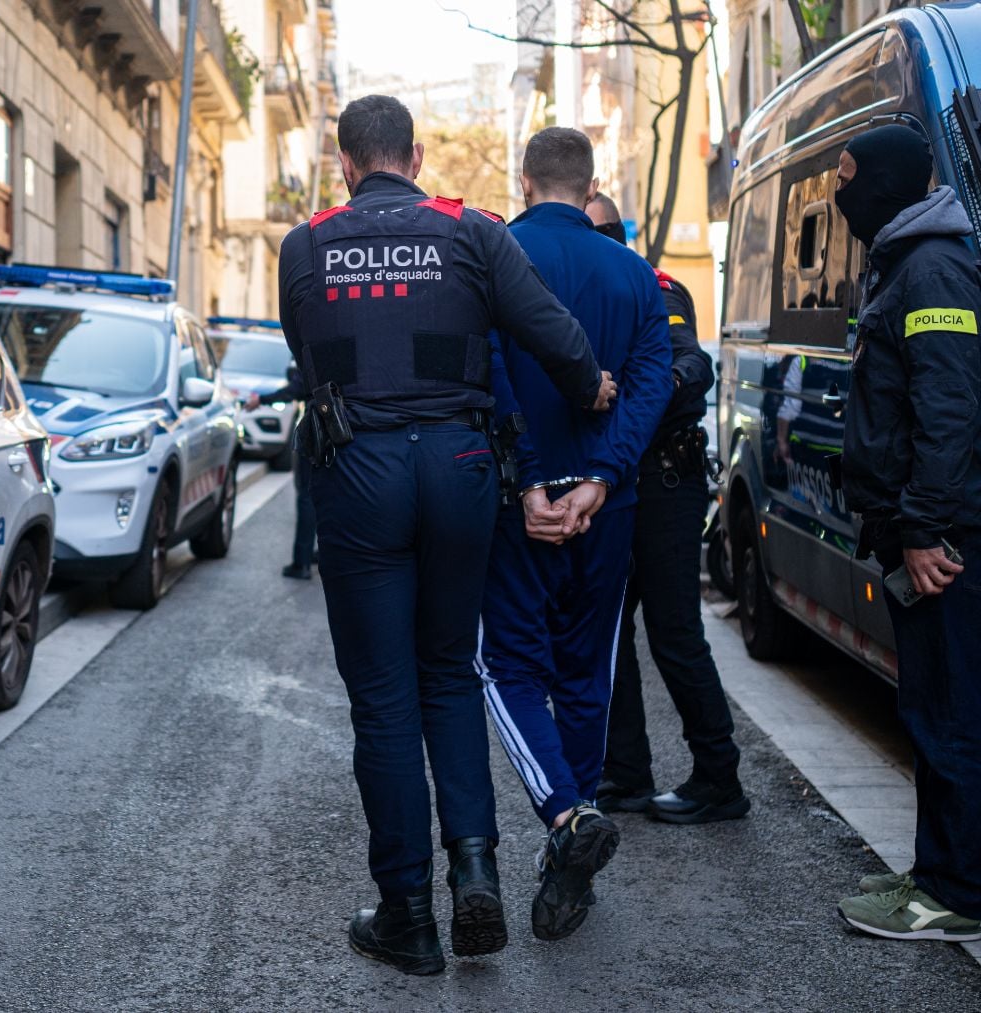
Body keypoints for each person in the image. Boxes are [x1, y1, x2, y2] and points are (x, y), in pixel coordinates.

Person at [277, 95, 617, 975]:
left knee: (383, 697)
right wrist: (591, 392)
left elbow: (304, 351)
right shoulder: (471, 232)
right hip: (463, 469)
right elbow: (555, 336)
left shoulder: (306, 244)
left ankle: (406, 914)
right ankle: (477, 874)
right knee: (449, 676)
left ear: (346, 163)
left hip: (358, 474)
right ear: (416, 157)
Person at [829, 124, 981, 941]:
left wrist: (922, 529)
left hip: (955, 537)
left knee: (954, 713)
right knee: (937, 708)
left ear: (886, 184)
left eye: (848, 178)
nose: (839, 195)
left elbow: (943, 415)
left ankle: (957, 893)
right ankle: (944, 870)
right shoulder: (909, 262)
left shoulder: (933, 269)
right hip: (944, 526)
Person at [480, 130, 671, 942]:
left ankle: (566, 818)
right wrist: (603, 477)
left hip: (519, 502)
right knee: (587, 671)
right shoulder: (635, 273)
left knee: (508, 664)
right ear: (590, 184)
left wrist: (528, 479)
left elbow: (481, 372)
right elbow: (653, 381)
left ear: (524, 180)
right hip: (607, 503)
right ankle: (574, 847)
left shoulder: (494, 256)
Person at [582, 193, 749, 826]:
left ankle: (719, 777)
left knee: (674, 634)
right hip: (617, 484)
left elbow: (690, 366)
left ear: (618, 233)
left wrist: (638, 392)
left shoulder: (654, 287)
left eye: (598, 229)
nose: (589, 239)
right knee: (609, 634)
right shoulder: (589, 290)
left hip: (665, 483)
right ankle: (626, 773)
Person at [245, 364, 316, 579]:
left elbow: (295, 389)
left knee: (307, 498)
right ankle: (318, 554)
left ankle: (301, 562)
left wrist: (261, 400)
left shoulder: (315, 345)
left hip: (318, 435)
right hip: (348, 434)